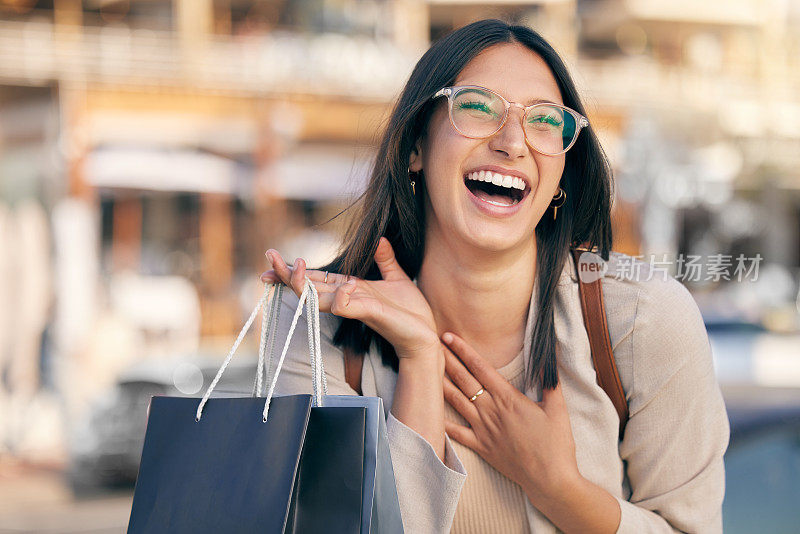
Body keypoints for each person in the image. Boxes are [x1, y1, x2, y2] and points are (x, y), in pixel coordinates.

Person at [260, 19, 729, 534]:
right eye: (477, 107)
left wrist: (559, 488)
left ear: (559, 178)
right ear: (416, 146)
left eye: (545, 122)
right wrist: (419, 357)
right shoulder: (318, 324)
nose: (513, 142)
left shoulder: (643, 319)